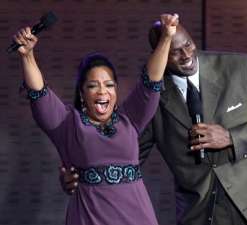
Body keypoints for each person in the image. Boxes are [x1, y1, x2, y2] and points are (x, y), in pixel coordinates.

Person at [59, 18, 247, 225]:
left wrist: (231, 137)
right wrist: (81, 175)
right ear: (158, 55)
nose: (188, 56)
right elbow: (123, 155)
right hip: (199, 213)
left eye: (189, 45)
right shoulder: (150, 99)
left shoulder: (242, 68)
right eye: (175, 52)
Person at [13, 14, 178, 225]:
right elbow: (39, 92)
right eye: (93, 85)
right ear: (82, 93)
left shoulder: (130, 118)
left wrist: (166, 37)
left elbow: (151, 80)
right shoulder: (67, 123)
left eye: (109, 85)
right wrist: (27, 55)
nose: (103, 91)